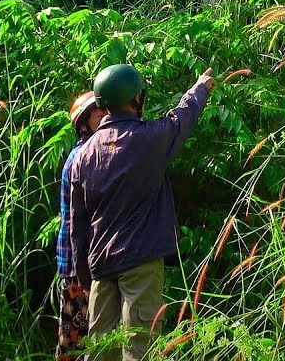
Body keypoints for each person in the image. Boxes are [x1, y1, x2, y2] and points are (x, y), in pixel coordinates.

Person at [68, 63, 214, 361]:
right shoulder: (150, 139)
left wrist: (85, 275)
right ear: (136, 99)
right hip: (141, 259)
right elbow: (181, 118)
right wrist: (200, 88)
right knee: (140, 346)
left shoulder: (81, 157)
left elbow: (77, 226)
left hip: (100, 266)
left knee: (99, 350)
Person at [56, 91, 107, 361]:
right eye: (100, 114)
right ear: (84, 123)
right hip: (78, 266)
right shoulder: (82, 156)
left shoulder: (91, 152)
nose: (107, 117)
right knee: (75, 339)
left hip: (83, 261)